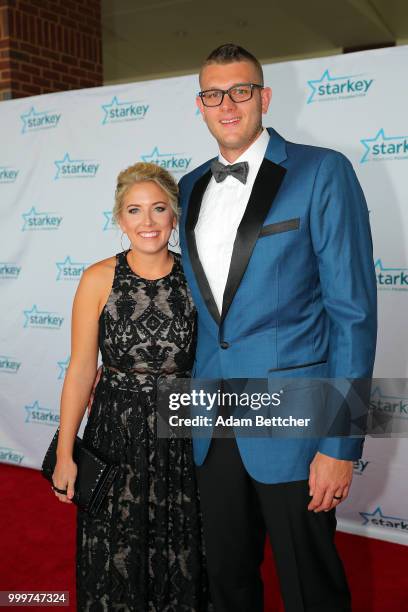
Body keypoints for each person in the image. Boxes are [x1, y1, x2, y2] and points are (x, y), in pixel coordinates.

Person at [178, 44, 377, 612]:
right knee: (228, 579)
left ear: (263, 97)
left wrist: (341, 442)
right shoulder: (190, 187)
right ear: (201, 105)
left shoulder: (321, 171)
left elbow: (353, 316)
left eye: (240, 91)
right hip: (210, 420)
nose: (228, 104)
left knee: (309, 583)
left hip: (294, 420)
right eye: (214, 94)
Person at [51, 162, 211, 611]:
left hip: (181, 435)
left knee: (181, 552)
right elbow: (82, 369)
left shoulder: (197, 279)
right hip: (114, 436)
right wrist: (66, 453)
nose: (147, 222)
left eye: (158, 209)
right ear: (120, 219)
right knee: (114, 558)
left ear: (174, 217)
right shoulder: (97, 279)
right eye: (135, 210)